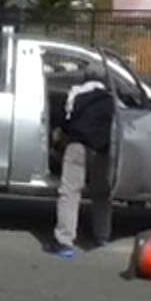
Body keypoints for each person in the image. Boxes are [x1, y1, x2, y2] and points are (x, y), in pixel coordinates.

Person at [51, 62, 115, 259]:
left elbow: (64, 121)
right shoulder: (111, 100)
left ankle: (65, 241)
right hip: (101, 151)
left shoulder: (75, 95)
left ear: (85, 77)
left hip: (77, 147)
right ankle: (102, 235)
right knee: (101, 194)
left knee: (70, 193)